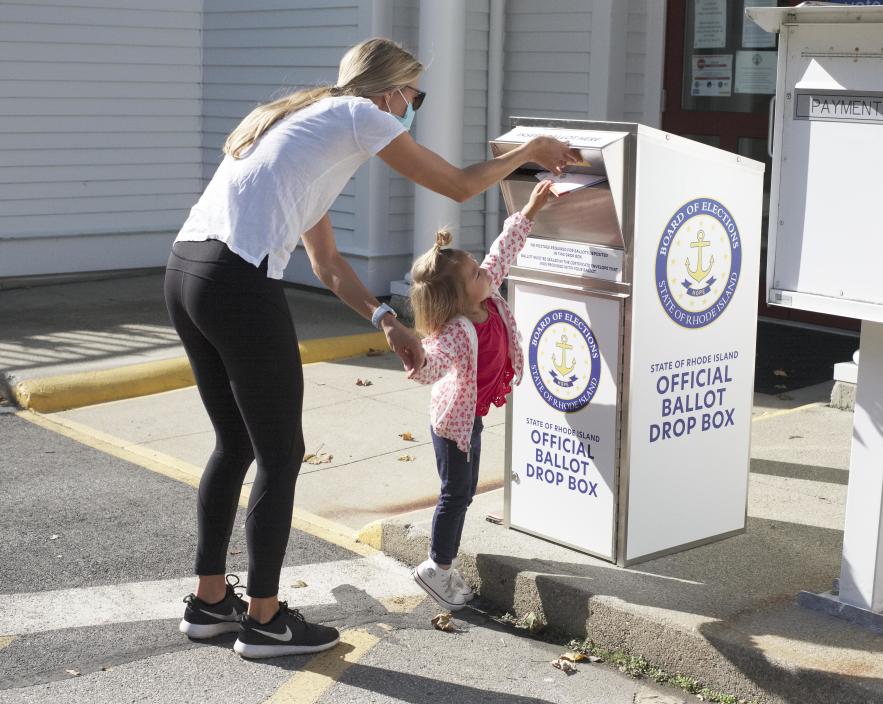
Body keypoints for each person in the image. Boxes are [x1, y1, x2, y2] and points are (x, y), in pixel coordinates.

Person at [165, 37, 578, 659]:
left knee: (238, 443)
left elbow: (328, 263)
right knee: (281, 453)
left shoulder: (302, 126)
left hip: (186, 273)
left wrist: (387, 318)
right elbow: (462, 185)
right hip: (237, 282)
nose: (412, 110)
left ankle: (210, 603)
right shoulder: (360, 115)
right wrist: (532, 152)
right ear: (391, 92)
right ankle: (266, 621)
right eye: (414, 97)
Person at [406, 179, 554, 610]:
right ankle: (437, 567)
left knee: (463, 490)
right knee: (456, 492)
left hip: (471, 418)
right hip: (453, 424)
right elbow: (430, 366)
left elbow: (503, 249)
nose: (484, 272)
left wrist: (530, 209)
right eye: (474, 273)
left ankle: (442, 565)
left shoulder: (487, 296)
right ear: (457, 295)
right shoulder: (453, 332)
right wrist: (413, 356)